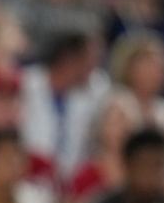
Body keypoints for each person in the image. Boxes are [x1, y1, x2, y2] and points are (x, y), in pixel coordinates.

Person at [20, 32, 110, 181]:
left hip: (69, 185)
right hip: (28, 179)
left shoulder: (90, 94)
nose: (93, 69)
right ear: (69, 59)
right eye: (88, 61)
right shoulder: (27, 84)